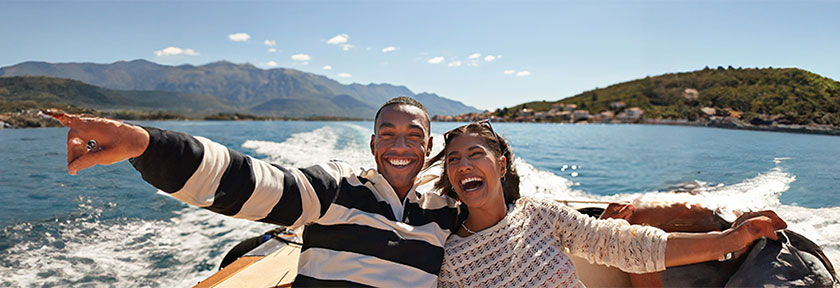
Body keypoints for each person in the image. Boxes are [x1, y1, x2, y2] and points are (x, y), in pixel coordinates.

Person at [49, 96, 463, 287]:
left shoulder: (445, 212)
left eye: (414, 137)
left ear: (428, 149)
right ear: (372, 145)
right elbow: (251, 183)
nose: (400, 146)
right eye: (387, 134)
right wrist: (144, 144)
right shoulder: (337, 188)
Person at [427, 120, 787, 287]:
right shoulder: (452, 260)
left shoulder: (538, 213)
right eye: (454, 160)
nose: (464, 165)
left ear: (501, 165)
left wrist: (729, 240)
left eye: (476, 154)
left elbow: (625, 245)